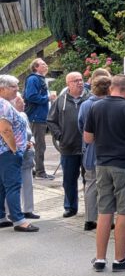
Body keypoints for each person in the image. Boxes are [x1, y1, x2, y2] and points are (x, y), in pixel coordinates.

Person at [84, 74, 125, 272]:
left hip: (102, 164)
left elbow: (87, 138)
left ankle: (100, 258)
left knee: (104, 211)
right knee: (124, 212)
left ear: (111, 88)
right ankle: (120, 259)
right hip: (124, 166)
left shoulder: (95, 106)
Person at [47, 72, 89, 218]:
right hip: (68, 147)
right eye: (75, 80)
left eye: (81, 80)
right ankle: (70, 207)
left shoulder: (89, 99)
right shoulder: (60, 100)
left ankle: (90, 207)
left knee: (89, 179)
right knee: (69, 180)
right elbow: (51, 121)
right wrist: (60, 136)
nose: (79, 83)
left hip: (88, 148)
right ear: (68, 84)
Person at [0, 75, 38, 232]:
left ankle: (2, 216)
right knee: (13, 185)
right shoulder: (4, 105)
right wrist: (15, 149)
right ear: (2, 88)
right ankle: (19, 220)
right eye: (13, 86)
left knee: (2, 186)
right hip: (7, 152)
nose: (17, 89)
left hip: (4, 152)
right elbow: (5, 130)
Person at [78, 74, 111, 231]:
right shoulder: (111, 104)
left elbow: (80, 126)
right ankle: (106, 219)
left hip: (90, 150)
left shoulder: (85, 105)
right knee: (106, 186)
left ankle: (89, 219)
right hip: (107, 150)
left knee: (90, 184)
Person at [23, 58, 55, 179]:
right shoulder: (33, 79)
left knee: (38, 145)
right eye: (43, 64)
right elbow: (31, 96)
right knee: (39, 145)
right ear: (36, 67)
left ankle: (36, 170)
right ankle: (40, 172)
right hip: (36, 117)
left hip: (40, 116)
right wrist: (47, 98)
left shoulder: (39, 79)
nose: (46, 65)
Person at [8, 94, 37, 219]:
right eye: (20, 101)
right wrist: (20, 144)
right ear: (13, 103)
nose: (24, 103)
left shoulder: (24, 115)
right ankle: (11, 212)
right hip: (13, 154)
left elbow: (30, 132)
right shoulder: (7, 115)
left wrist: (32, 142)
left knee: (28, 183)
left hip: (27, 154)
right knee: (13, 184)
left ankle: (28, 209)